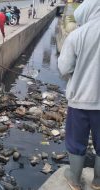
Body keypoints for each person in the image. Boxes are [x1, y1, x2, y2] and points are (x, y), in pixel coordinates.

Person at [58, 0, 100, 189]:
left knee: (76, 141)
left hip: (80, 100)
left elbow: (64, 67)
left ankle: (74, 178)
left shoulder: (77, 35)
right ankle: (98, 180)